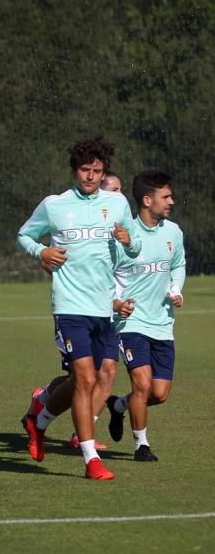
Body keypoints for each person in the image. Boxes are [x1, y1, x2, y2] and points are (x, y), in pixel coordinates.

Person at [17, 136, 140, 480]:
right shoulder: (54, 205)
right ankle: (91, 460)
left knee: (94, 377)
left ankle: (38, 419)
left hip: (104, 308)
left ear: (104, 172)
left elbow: (134, 247)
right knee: (85, 379)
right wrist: (41, 252)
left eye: (96, 171)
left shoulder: (116, 204)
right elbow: (24, 236)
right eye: (85, 170)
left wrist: (129, 241)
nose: (90, 176)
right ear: (75, 171)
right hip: (69, 306)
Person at [105, 169, 185, 461]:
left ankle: (118, 406)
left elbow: (178, 264)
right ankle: (141, 445)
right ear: (147, 200)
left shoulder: (173, 232)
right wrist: (115, 303)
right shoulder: (124, 235)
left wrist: (175, 289)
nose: (171, 201)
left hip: (162, 323)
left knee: (159, 393)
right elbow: (105, 274)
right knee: (142, 383)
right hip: (131, 322)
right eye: (166, 197)